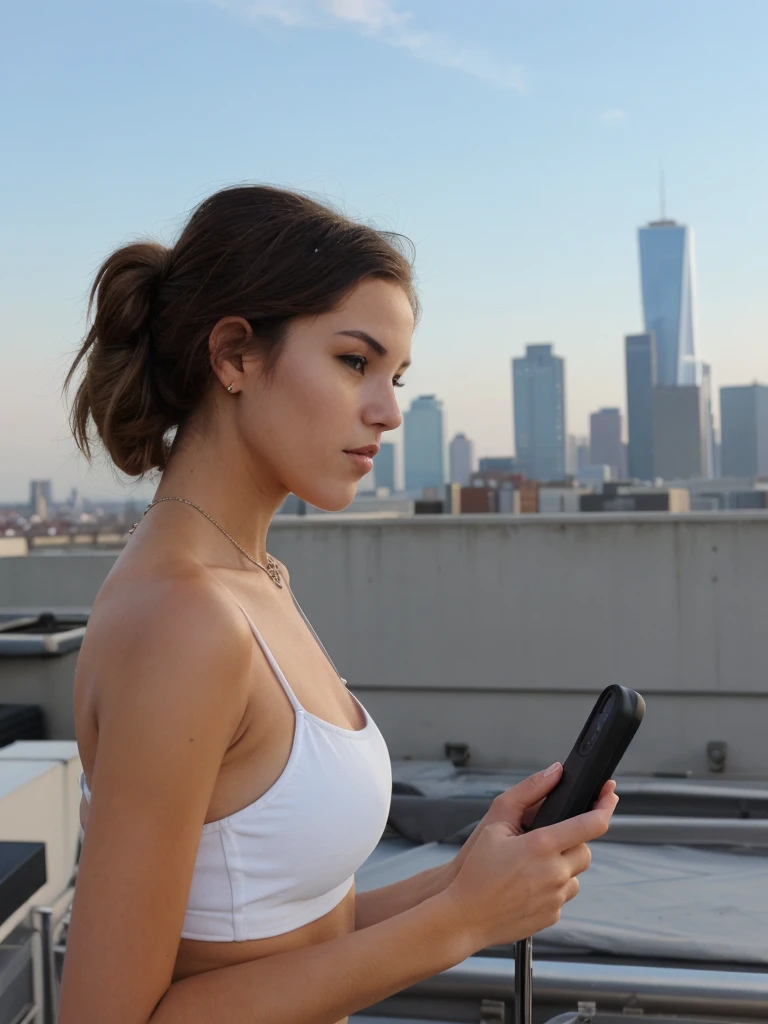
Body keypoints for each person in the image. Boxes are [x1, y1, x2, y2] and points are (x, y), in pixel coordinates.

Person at [58, 184, 618, 1024]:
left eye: (395, 374)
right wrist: (464, 921)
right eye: (355, 362)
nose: (388, 411)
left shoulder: (254, 580)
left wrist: (475, 878)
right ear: (237, 356)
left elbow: (302, 935)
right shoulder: (182, 621)